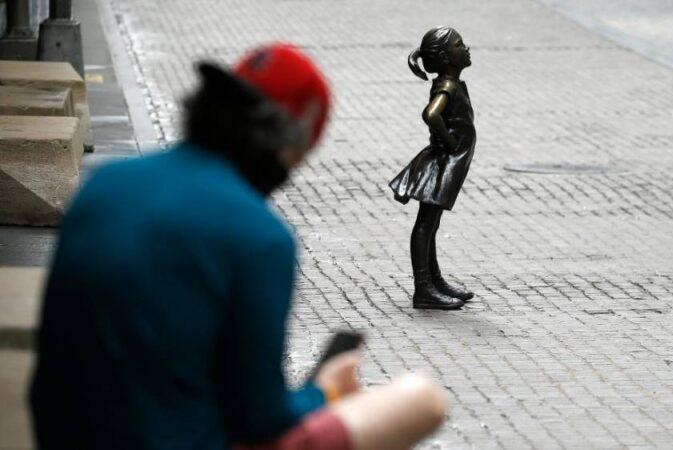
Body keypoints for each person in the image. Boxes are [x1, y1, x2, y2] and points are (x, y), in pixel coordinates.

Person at [30, 44, 446, 450]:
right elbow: (261, 418)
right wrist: (323, 391)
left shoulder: (106, 183)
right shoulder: (260, 238)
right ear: (289, 145)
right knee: (421, 399)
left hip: (60, 438)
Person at [389, 27, 476, 310]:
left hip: (447, 160)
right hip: (441, 162)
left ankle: (434, 281)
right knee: (426, 223)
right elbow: (431, 114)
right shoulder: (448, 86)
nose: (466, 48)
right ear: (445, 57)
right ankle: (424, 288)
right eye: (459, 45)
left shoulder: (450, 82)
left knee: (431, 222)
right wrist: (450, 142)